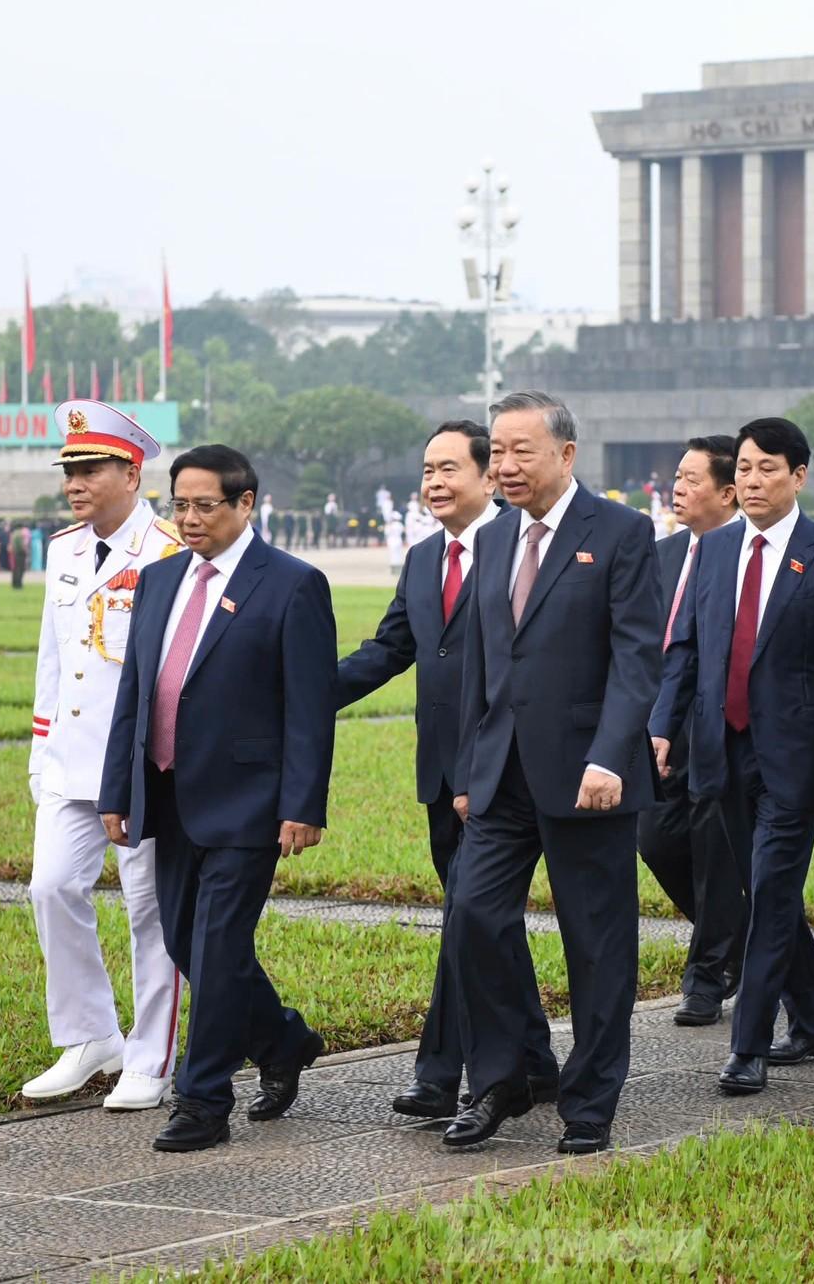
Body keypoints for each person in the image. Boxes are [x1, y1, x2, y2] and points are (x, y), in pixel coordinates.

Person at [440, 391, 660, 1157]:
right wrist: (469, 767)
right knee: (472, 916)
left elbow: (639, 657)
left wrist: (610, 755)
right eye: (496, 451)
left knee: (597, 944)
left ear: (566, 454)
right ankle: (504, 1075)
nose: (503, 465)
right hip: (502, 775)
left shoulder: (623, 532)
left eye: (519, 451)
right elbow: (481, 661)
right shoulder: (494, 538)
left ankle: (591, 1097)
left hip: (586, 774)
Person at [100, 443, 335, 1153]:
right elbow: (134, 692)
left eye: (206, 505)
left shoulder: (292, 583)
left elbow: (309, 705)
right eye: (181, 504)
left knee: (220, 941)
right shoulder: (161, 578)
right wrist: (118, 787)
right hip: (167, 793)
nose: (191, 518)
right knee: (185, 939)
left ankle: (204, 1099)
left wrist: (304, 802)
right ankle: (284, 1039)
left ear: (246, 504)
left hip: (248, 800)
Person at [335, 420, 559, 1120]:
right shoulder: (425, 555)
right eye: (425, 469)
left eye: (447, 468)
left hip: (501, 777)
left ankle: (441, 1074)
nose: (432, 482)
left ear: (489, 475)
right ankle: (538, 1060)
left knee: (468, 919)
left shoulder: (517, 551)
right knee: (484, 924)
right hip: (440, 775)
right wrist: (297, 690)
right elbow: (390, 647)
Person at [653, 418, 814, 1097]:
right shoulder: (711, 550)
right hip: (718, 749)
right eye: (743, 466)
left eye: (768, 467)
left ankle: (750, 1046)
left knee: (768, 893)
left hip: (792, 759)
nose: (753, 478)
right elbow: (685, 648)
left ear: (799, 475)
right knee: (770, 893)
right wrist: (662, 725)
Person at [24, 402, 186, 1114]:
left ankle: (150, 1055)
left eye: (89, 469)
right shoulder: (62, 549)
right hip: (70, 757)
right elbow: (52, 660)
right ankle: (91, 1034)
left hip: (143, 764)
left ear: (132, 472)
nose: (75, 484)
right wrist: (40, 749)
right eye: (69, 471)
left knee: (150, 911)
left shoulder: (170, 550)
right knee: (51, 887)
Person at [638, 435, 748, 1029]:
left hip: (718, 728)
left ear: (728, 493)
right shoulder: (660, 554)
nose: (677, 488)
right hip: (658, 726)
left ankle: (706, 976)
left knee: (716, 857)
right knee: (656, 841)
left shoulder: (743, 554)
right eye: (675, 478)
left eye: (691, 479)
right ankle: (742, 944)